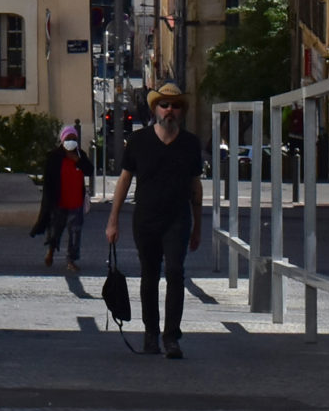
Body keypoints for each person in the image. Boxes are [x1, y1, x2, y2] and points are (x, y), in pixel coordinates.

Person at [105, 82, 204, 358]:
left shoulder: (190, 144)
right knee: (149, 277)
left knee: (175, 272)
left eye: (175, 106)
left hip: (178, 219)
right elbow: (124, 181)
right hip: (146, 219)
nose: (169, 110)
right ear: (155, 109)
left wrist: (198, 225)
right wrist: (112, 221)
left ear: (181, 112)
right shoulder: (139, 141)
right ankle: (151, 334)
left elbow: (196, 187)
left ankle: (171, 337)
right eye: (164, 105)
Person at [30, 125, 93, 271]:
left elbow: (89, 170)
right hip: (59, 203)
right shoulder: (54, 157)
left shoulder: (80, 155)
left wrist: (77, 160)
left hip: (76, 203)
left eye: (74, 139)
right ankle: (51, 250)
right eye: (68, 139)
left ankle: (71, 260)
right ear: (62, 140)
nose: (71, 141)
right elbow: (48, 181)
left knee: (75, 233)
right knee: (55, 230)